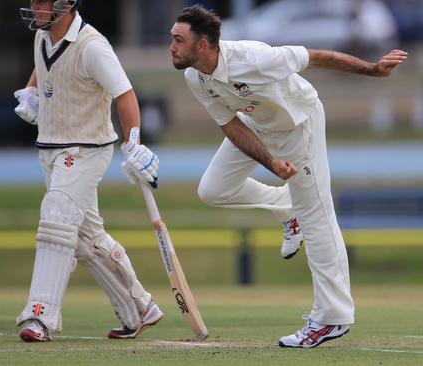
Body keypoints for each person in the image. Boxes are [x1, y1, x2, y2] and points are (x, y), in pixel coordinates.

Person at [169, 5, 407, 348]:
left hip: (299, 124)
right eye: (172, 39)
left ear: (203, 44)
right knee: (213, 189)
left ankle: (332, 317)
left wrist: (373, 69)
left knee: (319, 217)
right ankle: (285, 205)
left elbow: (317, 57)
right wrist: (270, 163)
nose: (172, 47)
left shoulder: (254, 57)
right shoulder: (195, 76)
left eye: (178, 40)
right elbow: (232, 126)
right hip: (258, 126)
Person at [13, 0, 162, 342]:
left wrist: (134, 143)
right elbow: (45, 62)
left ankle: (40, 315)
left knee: (56, 215)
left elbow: (124, 93)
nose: (34, 7)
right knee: (85, 239)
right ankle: (139, 307)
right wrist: (33, 90)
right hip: (50, 147)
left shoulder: (93, 47)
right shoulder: (42, 35)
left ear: (64, 5)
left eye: (41, 1)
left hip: (86, 149)